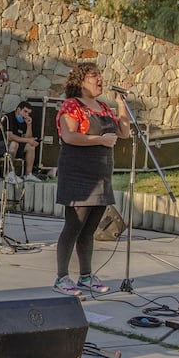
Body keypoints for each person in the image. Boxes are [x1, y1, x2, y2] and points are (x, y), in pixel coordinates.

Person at [52, 62, 129, 297]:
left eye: (101, 75)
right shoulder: (72, 106)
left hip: (101, 175)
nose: (100, 79)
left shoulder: (104, 107)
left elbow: (124, 132)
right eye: (94, 75)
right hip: (78, 174)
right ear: (80, 81)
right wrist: (99, 140)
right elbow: (69, 136)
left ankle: (86, 276)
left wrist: (121, 104)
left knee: (90, 229)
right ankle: (62, 277)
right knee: (74, 225)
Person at [0, 101, 40, 182]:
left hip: (13, 146)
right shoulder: (8, 118)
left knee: (30, 147)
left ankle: (28, 174)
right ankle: (9, 173)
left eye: (28, 113)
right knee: (14, 144)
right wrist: (28, 140)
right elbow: (10, 136)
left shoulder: (23, 121)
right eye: (25, 111)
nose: (26, 115)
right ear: (18, 109)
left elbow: (28, 138)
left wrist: (29, 125)